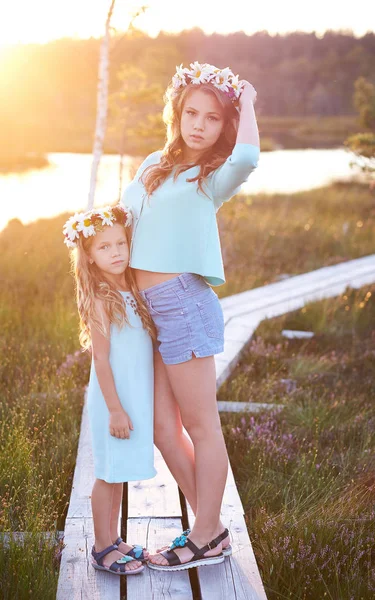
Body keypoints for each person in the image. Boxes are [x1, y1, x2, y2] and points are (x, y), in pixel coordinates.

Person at [120, 61, 260, 571]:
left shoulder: (213, 177)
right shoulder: (154, 163)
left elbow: (247, 156)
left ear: (226, 125)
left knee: (201, 426)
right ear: (176, 113)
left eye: (213, 118)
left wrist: (244, 99)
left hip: (183, 303)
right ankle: (211, 524)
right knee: (162, 427)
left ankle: (205, 532)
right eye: (191, 113)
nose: (198, 124)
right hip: (146, 310)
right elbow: (127, 224)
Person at [62, 203, 157, 576]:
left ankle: (114, 538)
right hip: (114, 399)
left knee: (120, 471)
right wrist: (116, 409)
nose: (116, 253)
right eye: (105, 247)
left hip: (134, 394)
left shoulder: (131, 287)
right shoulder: (101, 298)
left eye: (121, 244)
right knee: (108, 472)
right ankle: (102, 548)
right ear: (88, 255)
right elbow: (101, 360)